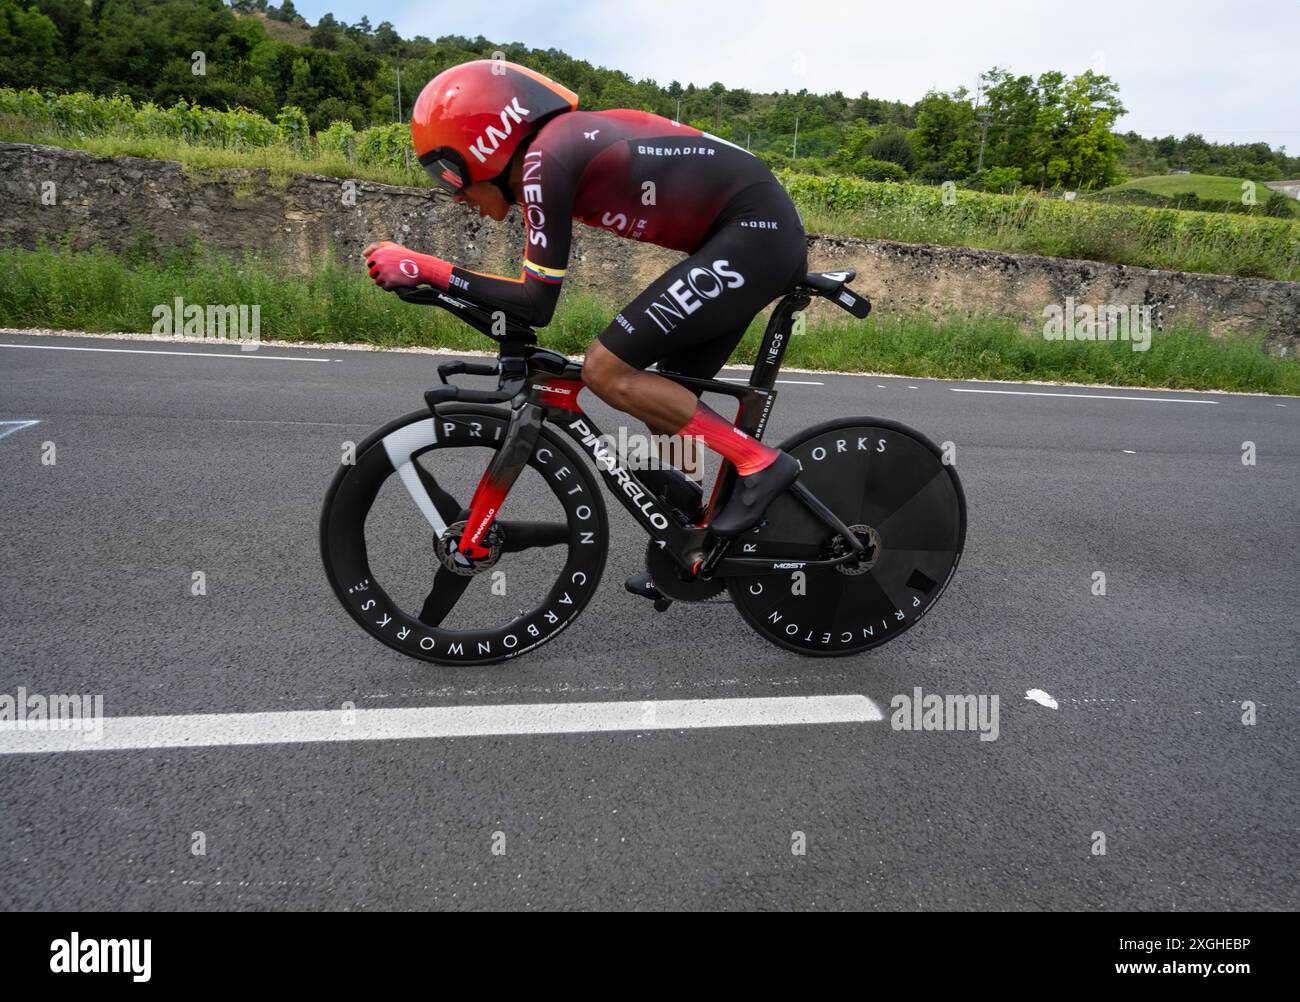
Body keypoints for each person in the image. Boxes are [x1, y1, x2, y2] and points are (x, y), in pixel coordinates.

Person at [365, 59, 807, 589]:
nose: (457, 197)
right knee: (664, 396)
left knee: (606, 370)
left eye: (452, 178)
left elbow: (536, 302)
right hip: (743, 235)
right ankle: (691, 539)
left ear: (485, 145)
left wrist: (429, 268)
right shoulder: (556, 148)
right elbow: (528, 300)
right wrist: (440, 285)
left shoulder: (546, 158)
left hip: (757, 234)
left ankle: (759, 462)